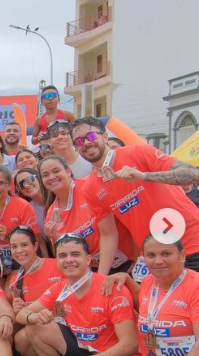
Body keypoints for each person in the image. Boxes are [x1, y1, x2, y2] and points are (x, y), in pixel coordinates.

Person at [15, 234, 144, 356]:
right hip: (90, 350)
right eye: (62, 256)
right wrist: (34, 317)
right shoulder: (61, 287)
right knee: (35, 328)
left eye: (75, 254)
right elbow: (21, 314)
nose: (69, 260)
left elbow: (130, 346)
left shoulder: (109, 288)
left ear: (88, 259)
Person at [75, 116, 199, 272]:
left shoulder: (137, 151)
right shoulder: (90, 188)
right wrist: (101, 278)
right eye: (79, 142)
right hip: (155, 258)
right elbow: (108, 235)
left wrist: (144, 176)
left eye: (91, 136)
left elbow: (193, 174)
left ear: (104, 136)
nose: (86, 143)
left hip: (191, 243)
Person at [38, 155, 131, 275]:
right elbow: (66, 254)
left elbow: (128, 217)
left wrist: (136, 260)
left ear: (68, 171)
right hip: (93, 270)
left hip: (128, 261)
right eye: (45, 175)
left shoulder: (89, 186)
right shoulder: (51, 213)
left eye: (56, 171)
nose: (51, 177)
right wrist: (56, 238)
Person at [3, 226, 63, 356]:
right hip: (41, 327)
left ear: (35, 246)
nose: (19, 250)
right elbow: (23, 318)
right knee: (21, 338)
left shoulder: (57, 265)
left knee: (32, 330)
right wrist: (17, 309)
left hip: (68, 323)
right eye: (14, 247)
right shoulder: (16, 280)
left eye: (24, 245)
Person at [13, 168, 50, 255]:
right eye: (21, 184)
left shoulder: (56, 196)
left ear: (39, 178)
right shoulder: (28, 208)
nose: (26, 185)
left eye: (29, 179)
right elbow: (41, 242)